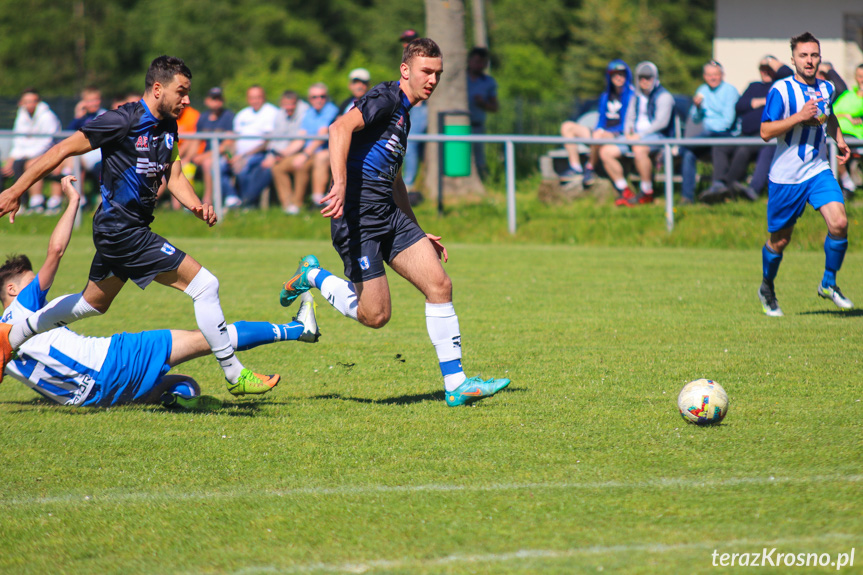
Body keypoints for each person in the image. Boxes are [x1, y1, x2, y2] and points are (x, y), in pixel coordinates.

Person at [0, 55, 279, 396]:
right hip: (122, 229)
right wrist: (15, 189)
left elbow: (174, 172)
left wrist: (194, 205)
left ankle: (12, 335)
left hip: (121, 229)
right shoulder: (122, 120)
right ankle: (235, 374)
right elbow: (61, 149)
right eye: (182, 91)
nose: (187, 100)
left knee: (93, 303)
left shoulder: (168, 126)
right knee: (205, 285)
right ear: (158, 88)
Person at [279, 38, 510, 407]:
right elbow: (338, 129)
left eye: (438, 73)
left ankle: (457, 384)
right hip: (358, 218)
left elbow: (395, 177)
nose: (433, 80)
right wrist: (339, 184)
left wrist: (417, 230)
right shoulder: (385, 98)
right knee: (376, 315)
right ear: (406, 71)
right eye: (426, 72)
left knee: (439, 284)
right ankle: (313, 276)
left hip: (389, 212)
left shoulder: (405, 112)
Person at [0, 177, 318, 409]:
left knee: (183, 383)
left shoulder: (4, 351)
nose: (37, 286)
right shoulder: (23, 309)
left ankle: (179, 398)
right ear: (12, 289)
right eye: (30, 281)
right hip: (112, 362)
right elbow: (55, 251)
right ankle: (298, 329)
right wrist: (73, 201)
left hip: (92, 400)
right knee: (209, 336)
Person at [757, 32, 853, 317]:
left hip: (817, 170)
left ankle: (829, 283)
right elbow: (765, 132)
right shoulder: (781, 90)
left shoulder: (826, 88)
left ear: (819, 58)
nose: (809, 61)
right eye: (803, 56)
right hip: (786, 177)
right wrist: (798, 116)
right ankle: (767, 286)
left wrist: (840, 139)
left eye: (814, 55)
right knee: (779, 241)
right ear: (793, 60)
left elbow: (829, 115)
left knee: (839, 223)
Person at [712, 56, 794, 201]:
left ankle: (728, 187)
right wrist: (755, 102)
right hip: (745, 134)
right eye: (762, 68)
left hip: (765, 134)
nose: (765, 71)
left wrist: (771, 62)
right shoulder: (753, 86)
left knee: (744, 149)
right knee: (720, 146)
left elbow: (788, 73)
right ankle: (717, 184)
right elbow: (739, 106)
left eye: (768, 68)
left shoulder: (780, 86)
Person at [597, 61, 674, 206]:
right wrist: (628, 133)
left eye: (648, 77)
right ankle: (624, 190)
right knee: (606, 151)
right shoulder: (636, 97)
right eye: (641, 78)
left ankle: (647, 191)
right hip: (635, 137)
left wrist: (641, 135)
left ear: (655, 78)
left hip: (658, 136)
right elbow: (629, 118)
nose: (644, 81)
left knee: (639, 149)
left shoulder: (664, 97)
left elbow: (661, 123)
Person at [560, 60, 634, 191]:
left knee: (598, 135)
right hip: (600, 134)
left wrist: (608, 133)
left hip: (618, 135)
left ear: (626, 75)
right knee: (567, 127)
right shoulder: (605, 96)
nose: (618, 77)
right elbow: (601, 118)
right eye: (615, 74)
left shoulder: (632, 95)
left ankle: (590, 167)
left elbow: (628, 123)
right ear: (609, 77)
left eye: (621, 74)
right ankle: (575, 167)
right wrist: (599, 129)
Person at [680, 61, 739, 203]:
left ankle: (677, 150)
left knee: (687, 146)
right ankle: (687, 197)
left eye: (716, 75)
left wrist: (709, 131)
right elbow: (695, 118)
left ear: (722, 75)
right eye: (709, 75)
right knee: (689, 154)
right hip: (708, 135)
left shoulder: (730, 91)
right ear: (704, 76)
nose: (713, 78)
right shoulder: (702, 90)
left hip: (726, 135)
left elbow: (727, 122)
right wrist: (698, 107)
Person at [1, 88, 62, 213]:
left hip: (48, 154)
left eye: (32, 101)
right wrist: (11, 159)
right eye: (26, 101)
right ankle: (14, 203)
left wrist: (24, 156)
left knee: (30, 165)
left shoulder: (47, 117)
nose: (29, 104)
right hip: (26, 155)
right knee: (10, 168)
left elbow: (47, 143)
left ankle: (28, 202)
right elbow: (18, 141)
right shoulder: (21, 115)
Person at [281, 83, 339, 208]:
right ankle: (288, 204)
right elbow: (301, 138)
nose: (319, 100)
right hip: (309, 152)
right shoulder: (309, 113)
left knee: (306, 163)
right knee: (278, 166)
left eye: (322, 96)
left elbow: (320, 137)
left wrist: (305, 155)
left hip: (325, 152)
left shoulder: (331, 110)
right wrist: (283, 153)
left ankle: (313, 201)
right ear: (309, 98)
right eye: (315, 97)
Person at [231, 84, 280, 208]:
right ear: (248, 99)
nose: (255, 100)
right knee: (218, 166)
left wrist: (244, 156)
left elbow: (267, 142)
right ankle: (231, 199)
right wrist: (232, 156)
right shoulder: (242, 114)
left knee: (245, 168)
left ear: (264, 97)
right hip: (240, 155)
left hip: (260, 155)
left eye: (258, 97)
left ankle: (246, 202)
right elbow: (233, 139)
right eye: (252, 97)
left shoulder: (272, 112)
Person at [263, 90, 310, 214]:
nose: (289, 107)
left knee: (299, 165)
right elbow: (276, 139)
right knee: (275, 168)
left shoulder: (305, 113)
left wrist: (279, 155)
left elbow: (300, 141)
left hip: (302, 153)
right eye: (286, 104)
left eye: (292, 104)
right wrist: (271, 156)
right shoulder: (280, 115)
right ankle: (287, 205)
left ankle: (296, 204)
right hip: (284, 154)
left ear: (297, 103)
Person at [191, 87, 237, 206]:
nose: (216, 102)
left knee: (208, 163)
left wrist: (204, 156)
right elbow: (196, 140)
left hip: (223, 156)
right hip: (205, 156)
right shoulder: (203, 117)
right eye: (213, 98)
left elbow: (227, 144)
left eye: (219, 99)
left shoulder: (228, 117)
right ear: (207, 101)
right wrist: (192, 156)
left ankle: (208, 200)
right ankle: (188, 201)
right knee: (184, 165)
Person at [400, 29, 427, 204]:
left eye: (411, 39)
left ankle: (408, 184)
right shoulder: (408, 60)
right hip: (409, 107)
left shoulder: (423, 58)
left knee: (410, 143)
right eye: (405, 40)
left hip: (420, 107)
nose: (407, 43)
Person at [466, 46, 498, 178]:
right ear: (469, 61)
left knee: (479, 159)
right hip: (457, 126)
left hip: (476, 126)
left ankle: (483, 180)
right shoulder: (460, 79)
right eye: (477, 61)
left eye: (483, 62)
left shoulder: (488, 82)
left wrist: (483, 103)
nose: (480, 65)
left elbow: (494, 107)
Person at [833, 64, 863, 194]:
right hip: (837, 132)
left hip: (854, 135)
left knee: (834, 145)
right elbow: (830, 112)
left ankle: (847, 183)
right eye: (859, 76)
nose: (862, 79)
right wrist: (846, 116)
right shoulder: (848, 94)